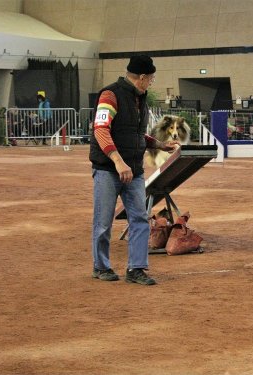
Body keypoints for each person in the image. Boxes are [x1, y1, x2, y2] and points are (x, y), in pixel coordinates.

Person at [89, 55, 179, 286]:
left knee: (139, 218)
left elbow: (134, 133)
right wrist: (118, 162)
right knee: (103, 221)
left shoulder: (140, 99)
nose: (151, 82)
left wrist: (159, 144)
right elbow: (101, 130)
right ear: (141, 77)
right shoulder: (110, 95)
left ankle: (136, 269)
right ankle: (101, 266)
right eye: (151, 78)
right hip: (109, 169)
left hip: (134, 171)